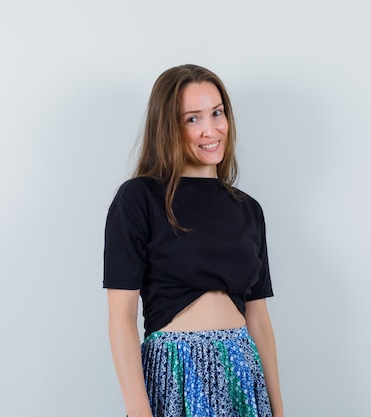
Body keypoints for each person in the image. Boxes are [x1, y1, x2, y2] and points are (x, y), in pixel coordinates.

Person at [103, 64, 283, 417]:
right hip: (176, 373)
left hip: (241, 375)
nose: (211, 129)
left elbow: (259, 320)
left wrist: (278, 412)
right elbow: (120, 317)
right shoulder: (139, 198)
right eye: (192, 119)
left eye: (217, 113)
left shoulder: (248, 210)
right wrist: (139, 410)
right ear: (168, 127)